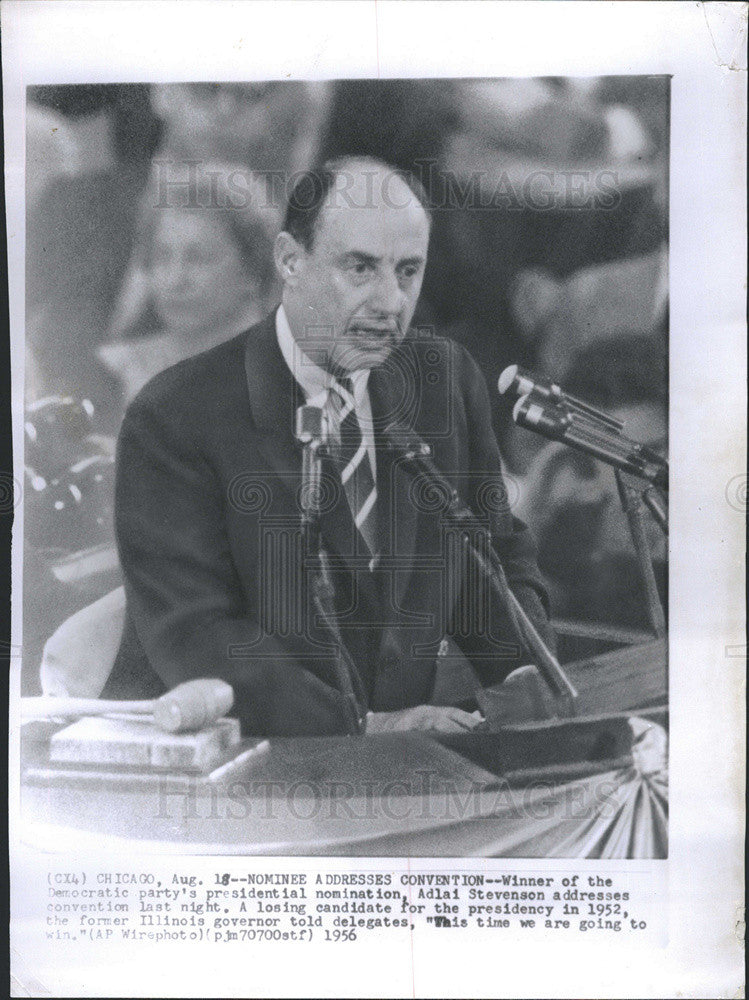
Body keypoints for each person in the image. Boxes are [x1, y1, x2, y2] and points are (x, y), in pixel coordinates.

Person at [105, 157, 553, 737]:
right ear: (290, 261)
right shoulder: (174, 418)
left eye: (408, 271)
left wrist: (524, 679)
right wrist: (363, 726)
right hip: (249, 771)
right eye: (361, 268)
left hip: (420, 766)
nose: (390, 301)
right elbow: (199, 636)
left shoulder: (443, 381)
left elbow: (494, 561)